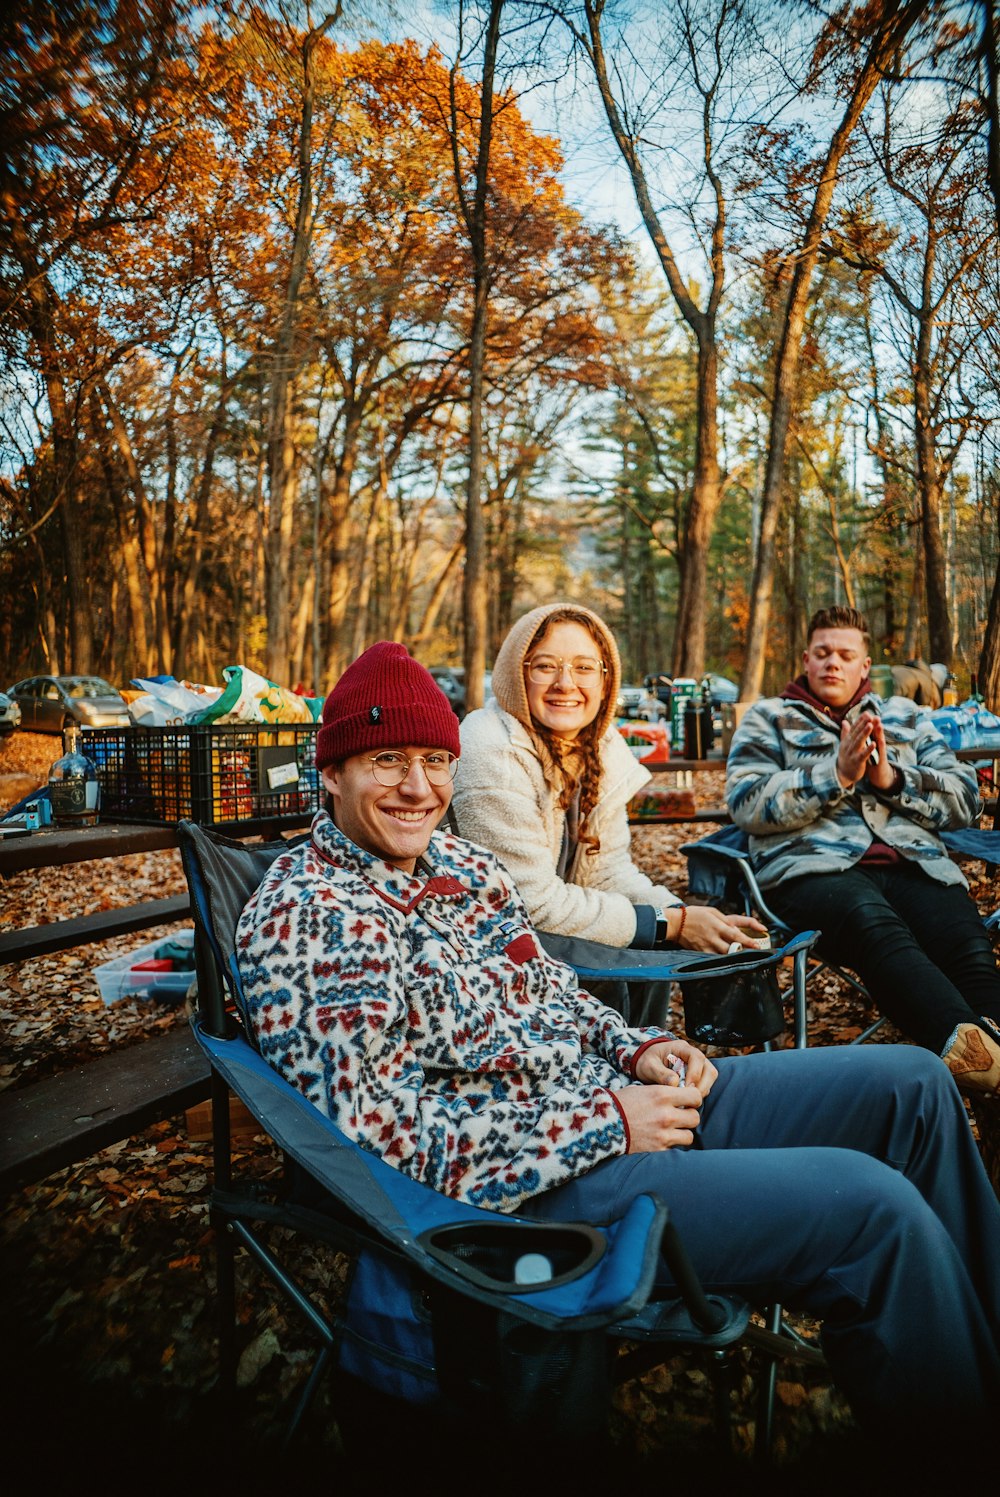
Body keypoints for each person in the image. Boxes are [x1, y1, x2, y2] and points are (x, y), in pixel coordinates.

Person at [236, 641, 1000, 1441]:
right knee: (871, 1209)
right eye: (385, 759)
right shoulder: (311, 916)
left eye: (434, 760)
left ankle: (982, 1347)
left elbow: (552, 990)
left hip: (617, 1101)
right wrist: (606, 1121)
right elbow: (376, 1139)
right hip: (533, 1194)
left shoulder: (462, 866)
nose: (419, 786)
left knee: (913, 1084)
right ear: (330, 773)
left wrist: (634, 1047)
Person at [725, 605, 1000, 1124]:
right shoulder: (768, 718)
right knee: (876, 927)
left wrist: (891, 779)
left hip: (915, 865)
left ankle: (991, 1085)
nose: (832, 663)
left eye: (845, 655)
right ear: (805, 659)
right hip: (813, 873)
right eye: (822, 653)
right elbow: (747, 803)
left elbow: (966, 799)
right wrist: (835, 774)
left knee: (968, 948)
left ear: (864, 665)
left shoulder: (904, 716)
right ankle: (984, 1067)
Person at [453, 602, 764, 953]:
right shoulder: (491, 747)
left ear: (605, 681)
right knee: (651, 939)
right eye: (545, 666)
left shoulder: (600, 748)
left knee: (708, 947)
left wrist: (684, 915)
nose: (565, 683)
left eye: (584, 667)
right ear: (516, 674)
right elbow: (529, 905)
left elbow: (605, 873)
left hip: (554, 937)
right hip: (486, 949)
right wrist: (670, 925)